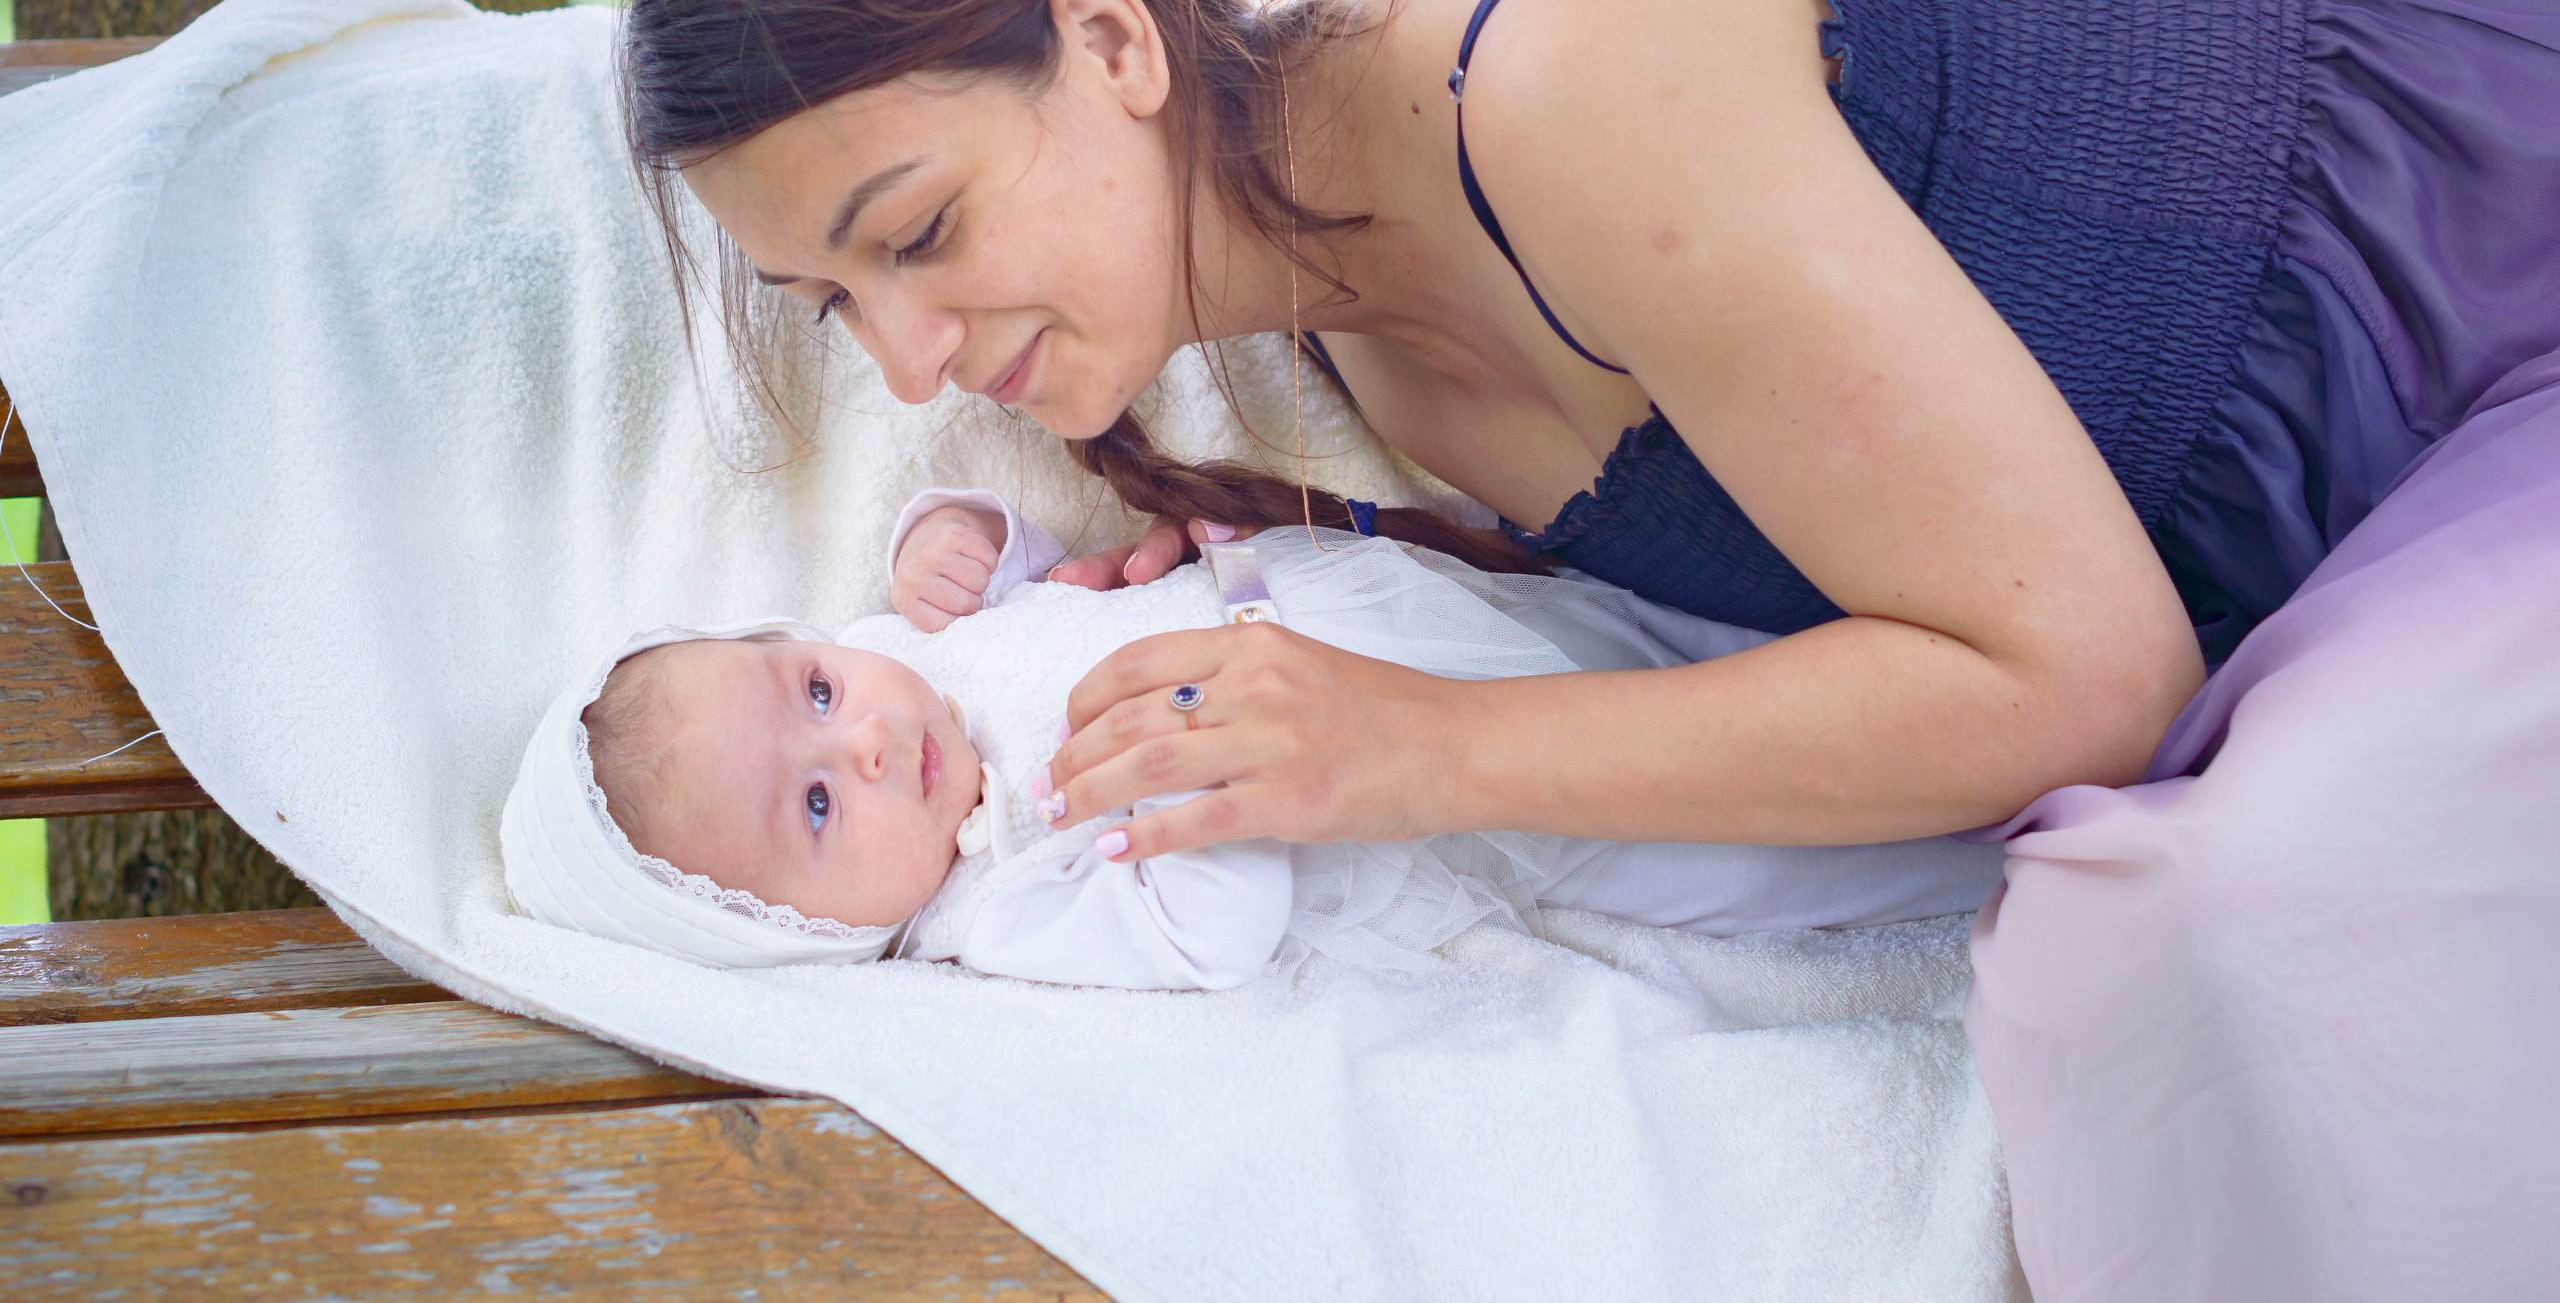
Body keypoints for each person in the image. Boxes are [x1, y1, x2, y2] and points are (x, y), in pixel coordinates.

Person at [614, 0, 2560, 1295]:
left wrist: (1404, 742)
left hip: (2484, 300)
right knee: (2113, 982)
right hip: (2333, 558)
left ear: (1112, 39)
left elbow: (2082, 673)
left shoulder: (1542, 86)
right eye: (829, 301)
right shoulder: (1369, 375)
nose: (908, 360)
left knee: (2223, 934)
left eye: (919, 233)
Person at [499, 488, 2002, 987]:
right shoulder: (998, 904)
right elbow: (1209, 933)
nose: (870, 748)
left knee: (1732, 635)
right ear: (800, 936)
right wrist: (1226, 793)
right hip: (1508, 805)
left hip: (1429, 601)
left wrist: (961, 534)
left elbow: (1032, 563)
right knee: (1766, 840)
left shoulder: (911, 657)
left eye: (814, 692)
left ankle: (1995, 655)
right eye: (817, 813)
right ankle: (1982, 833)